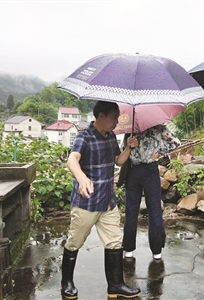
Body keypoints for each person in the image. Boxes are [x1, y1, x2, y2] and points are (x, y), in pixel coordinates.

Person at [60, 101, 141, 299]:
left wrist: (129, 149)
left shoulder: (111, 136)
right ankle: (66, 282)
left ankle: (116, 285)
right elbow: (72, 159)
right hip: (86, 203)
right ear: (101, 116)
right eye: (114, 117)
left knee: (114, 242)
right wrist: (81, 178)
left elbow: (118, 161)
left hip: (107, 201)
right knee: (74, 242)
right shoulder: (84, 136)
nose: (117, 121)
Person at [122, 124, 181, 260]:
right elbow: (176, 142)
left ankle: (128, 249)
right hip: (150, 170)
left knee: (131, 210)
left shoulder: (131, 129)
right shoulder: (159, 128)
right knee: (154, 209)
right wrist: (160, 153)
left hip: (134, 171)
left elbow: (123, 151)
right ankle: (156, 251)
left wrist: (130, 146)